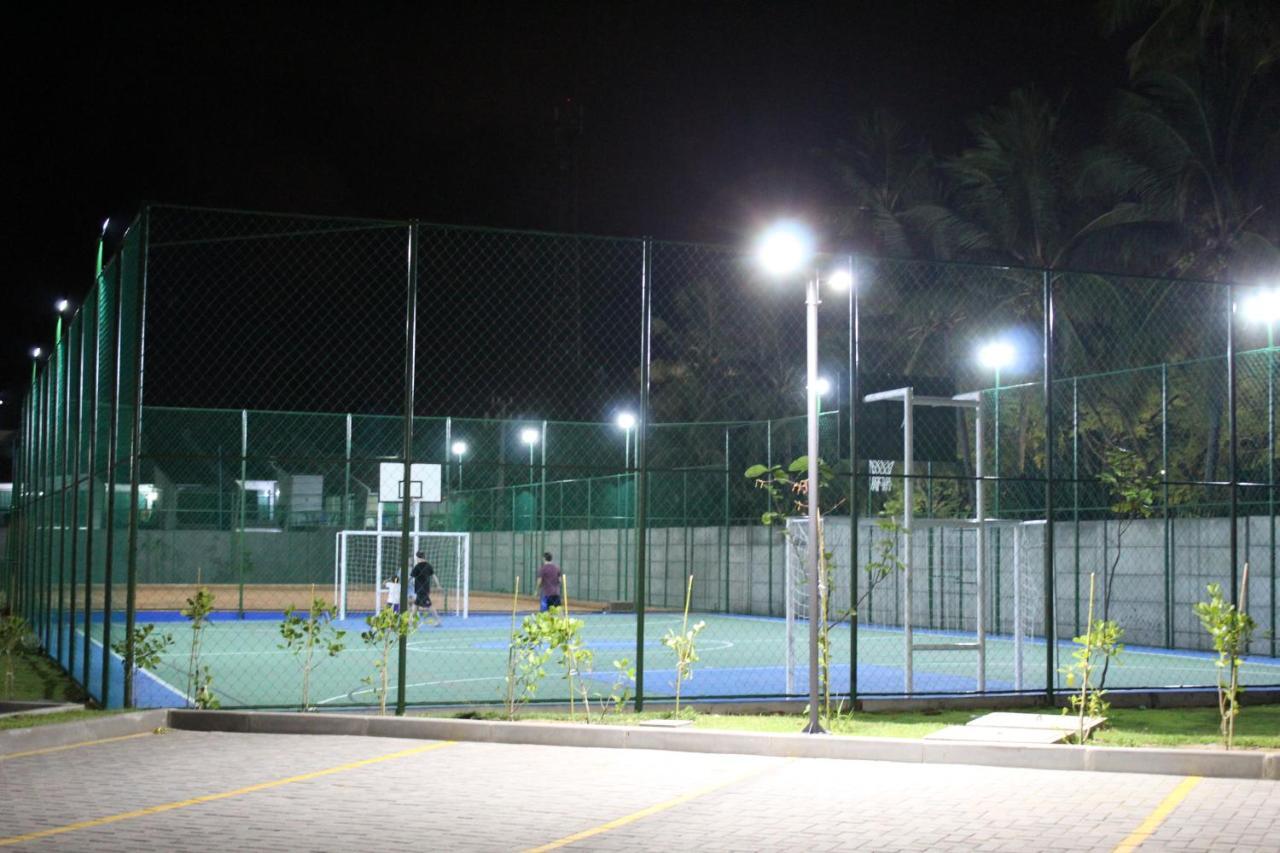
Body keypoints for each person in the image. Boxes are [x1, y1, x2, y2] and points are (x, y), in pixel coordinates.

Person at [410, 550, 442, 626]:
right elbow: (434, 576)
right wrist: (438, 585)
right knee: (415, 604)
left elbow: (410, 578)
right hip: (425, 589)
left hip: (421, 590)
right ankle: (410, 621)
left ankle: (438, 620)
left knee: (429, 605)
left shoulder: (417, 567)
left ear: (417, 557)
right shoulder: (428, 566)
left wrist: (403, 583)